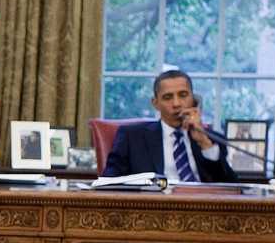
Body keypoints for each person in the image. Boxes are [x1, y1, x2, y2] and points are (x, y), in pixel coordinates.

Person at [100, 69, 236, 183]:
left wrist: (204, 143)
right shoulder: (132, 137)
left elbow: (231, 188)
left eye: (183, 95)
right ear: (155, 103)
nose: (176, 103)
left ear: (193, 100)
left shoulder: (213, 139)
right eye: (168, 97)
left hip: (201, 209)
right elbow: (109, 182)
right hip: (153, 209)